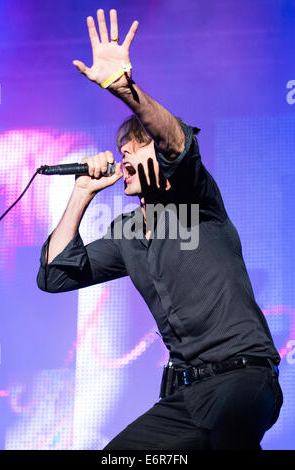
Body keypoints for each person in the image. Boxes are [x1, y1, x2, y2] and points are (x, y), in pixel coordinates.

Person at [37, 9, 283, 450]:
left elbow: (177, 142)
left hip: (242, 379)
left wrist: (126, 92)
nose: (125, 157)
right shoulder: (129, 233)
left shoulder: (193, 202)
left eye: (136, 147)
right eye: (121, 150)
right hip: (185, 399)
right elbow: (56, 274)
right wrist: (80, 194)